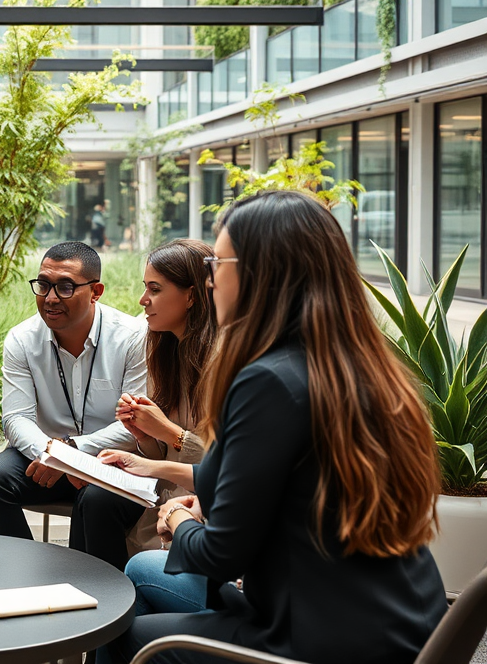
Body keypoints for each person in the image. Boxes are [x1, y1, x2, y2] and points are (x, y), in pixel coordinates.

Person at [101, 190, 447, 664]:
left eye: (214, 265)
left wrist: (178, 520)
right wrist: (202, 496)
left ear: (260, 273)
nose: (209, 284)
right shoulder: (360, 367)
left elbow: (221, 556)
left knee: (137, 638)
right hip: (405, 619)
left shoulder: (268, 380)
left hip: (323, 638)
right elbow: (289, 485)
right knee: (142, 576)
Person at [0, 241, 147, 565]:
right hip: (45, 459)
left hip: (111, 459)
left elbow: (134, 423)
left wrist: (72, 452)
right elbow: (16, 418)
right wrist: (54, 455)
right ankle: (23, 574)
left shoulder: (132, 337)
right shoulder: (23, 339)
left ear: (96, 291)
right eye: (43, 285)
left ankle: (104, 594)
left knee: (97, 499)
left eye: (65, 287)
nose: (50, 298)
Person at [70, 239, 216, 570]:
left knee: (98, 500)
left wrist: (166, 431)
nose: (143, 300)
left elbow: (226, 465)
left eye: (155, 289)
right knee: (93, 496)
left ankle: (111, 601)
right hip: (167, 485)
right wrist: (145, 436)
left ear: (191, 296)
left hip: (198, 498)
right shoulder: (166, 350)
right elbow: (164, 449)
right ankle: (86, 596)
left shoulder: (221, 360)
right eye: (145, 287)